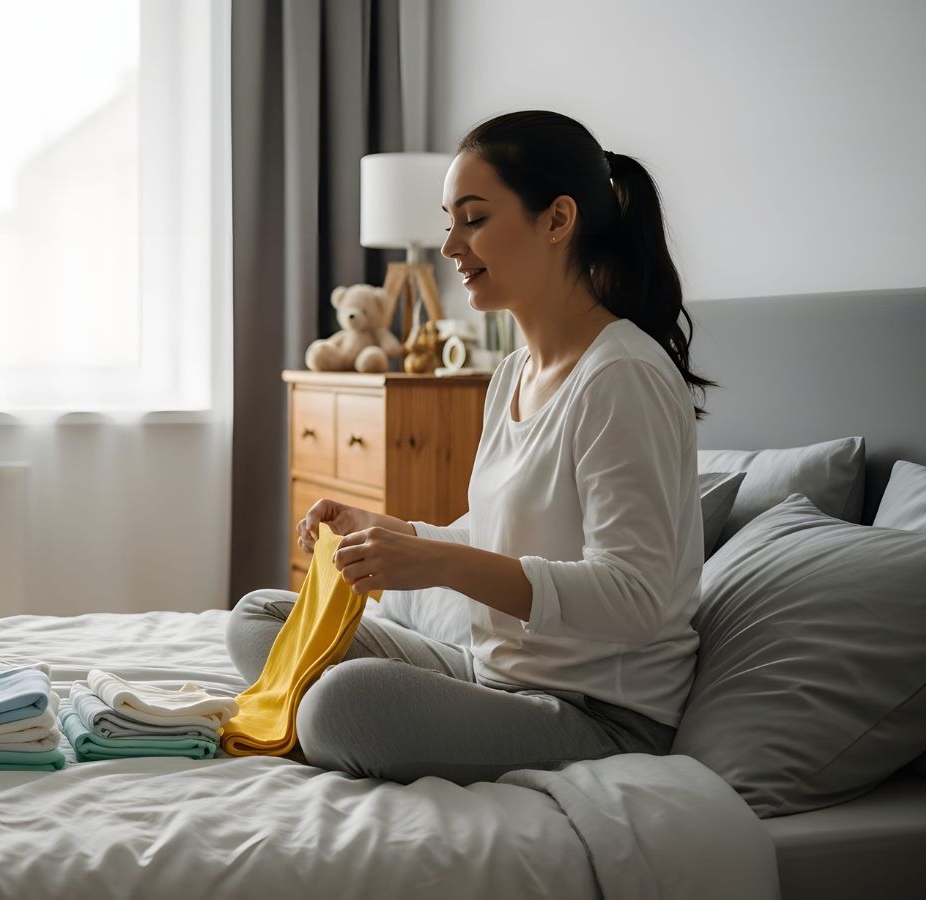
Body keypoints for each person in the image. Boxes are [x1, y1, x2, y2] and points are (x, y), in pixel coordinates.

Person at [228, 110, 715, 784]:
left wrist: (436, 562)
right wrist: (388, 534)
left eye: (475, 219)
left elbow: (635, 597)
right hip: (492, 671)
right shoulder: (513, 372)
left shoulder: (621, 377)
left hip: (596, 711)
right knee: (256, 619)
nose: (450, 245)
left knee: (339, 708)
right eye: (449, 220)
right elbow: (500, 536)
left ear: (557, 220)